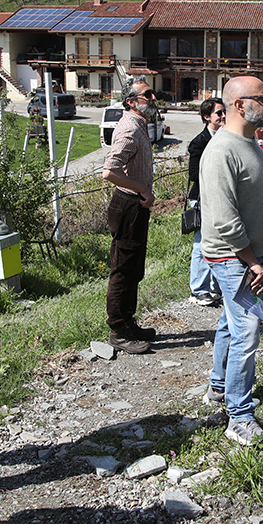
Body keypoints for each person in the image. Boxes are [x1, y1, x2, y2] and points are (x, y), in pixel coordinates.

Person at [199, 76, 263, 446]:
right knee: (247, 334)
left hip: (253, 255)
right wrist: (253, 262)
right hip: (236, 258)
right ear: (239, 105)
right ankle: (239, 417)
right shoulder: (220, 151)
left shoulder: (250, 142)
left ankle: (220, 387)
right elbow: (223, 219)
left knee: (232, 325)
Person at [101, 77, 159, 354]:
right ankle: (118, 329)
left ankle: (128, 323)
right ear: (131, 102)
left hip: (135, 205)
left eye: (152, 93)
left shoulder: (139, 125)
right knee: (123, 270)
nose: (153, 98)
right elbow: (109, 171)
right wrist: (143, 191)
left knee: (134, 268)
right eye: (147, 94)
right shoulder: (129, 129)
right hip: (128, 205)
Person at [187, 96, 225, 306]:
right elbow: (194, 174)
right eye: (218, 113)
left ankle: (214, 287)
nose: (223, 116)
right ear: (207, 117)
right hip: (203, 199)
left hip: (220, 198)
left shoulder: (227, 137)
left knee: (219, 243)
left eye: (224, 112)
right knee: (201, 243)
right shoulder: (199, 142)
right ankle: (198, 289)